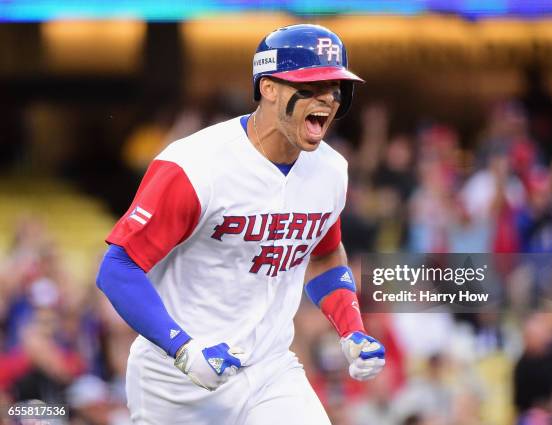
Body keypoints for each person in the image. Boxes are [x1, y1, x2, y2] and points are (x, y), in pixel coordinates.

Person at [96, 24, 386, 425]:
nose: (327, 99)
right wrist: (183, 348)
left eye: (335, 87)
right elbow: (117, 269)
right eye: (312, 86)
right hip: (176, 382)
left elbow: (323, 256)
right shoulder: (194, 165)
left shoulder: (332, 170)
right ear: (268, 88)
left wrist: (351, 329)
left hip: (269, 371)